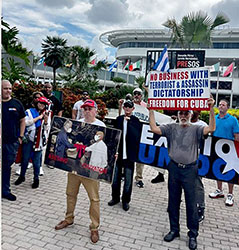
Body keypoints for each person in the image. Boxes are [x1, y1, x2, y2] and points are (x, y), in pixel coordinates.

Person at [148, 97, 215, 250]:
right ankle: (174, 230)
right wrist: (151, 110)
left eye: (186, 113)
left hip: (190, 170)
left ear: (191, 114)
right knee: (173, 201)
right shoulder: (171, 127)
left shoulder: (196, 128)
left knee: (191, 204)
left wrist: (211, 108)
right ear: (178, 114)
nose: (183, 115)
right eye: (181, 113)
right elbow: (154, 129)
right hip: (174, 169)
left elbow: (211, 129)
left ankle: (192, 234)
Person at [55, 99, 106, 244]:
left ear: (95, 110)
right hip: (75, 166)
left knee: (94, 198)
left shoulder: (101, 126)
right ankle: (68, 218)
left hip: (91, 168)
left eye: (90, 108)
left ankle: (94, 227)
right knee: (70, 193)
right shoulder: (78, 124)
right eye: (85, 108)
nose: (87, 111)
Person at [108, 100, 141, 211]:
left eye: (129, 107)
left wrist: (130, 122)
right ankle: (115, 197)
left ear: (133, 109)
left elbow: (137, 136)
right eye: (125, 107)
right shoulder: (118, 119)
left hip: (130, 155)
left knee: (128, 179)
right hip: (119, 154)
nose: (127, 109)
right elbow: (114, 135)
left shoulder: (136, 121)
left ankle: (126, 200)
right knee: (115, 178)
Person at [14, 96, 50, 189]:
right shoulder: (29, 111)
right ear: (36, 103)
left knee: (36, 162)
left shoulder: (47, 114)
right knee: (25, 159)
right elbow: (26, 123)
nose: (41, 105)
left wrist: (45, 122)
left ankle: (36, 179)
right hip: (29, 139)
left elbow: (47, 129)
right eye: (40, 103)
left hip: (39, 142)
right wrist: (39, 118)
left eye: (43, 104)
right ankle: (22, 176)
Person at [209, 99, 239, 206]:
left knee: (229, 172)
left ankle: (230, 194)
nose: (221, 106)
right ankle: (219, 190)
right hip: (216, 148)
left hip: (229, 150)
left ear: (227, 107)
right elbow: (211, 132)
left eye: (223, 105)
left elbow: (236, 136)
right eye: (220, 104)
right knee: (218, 170)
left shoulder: (233, 120)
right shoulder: (215, 118)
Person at [2, 80, 26, 201]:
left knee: (7, 167)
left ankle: (5, 191)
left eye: (10, 88)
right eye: (5, 88)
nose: (8, 91)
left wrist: (20, 136)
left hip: (11, 143)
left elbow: (23, 120)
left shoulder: (17, 104)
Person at [119, 88, 146, 188]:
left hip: (139, 136)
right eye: (135, 93)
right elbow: (120, 117)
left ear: (141, 95)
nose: (136, 95)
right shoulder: (127, 104)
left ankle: (138, 178)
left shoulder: (145, 106)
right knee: (125, 155)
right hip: (127, 136)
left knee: (139, 159)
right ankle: (123, 174)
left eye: (138, 94)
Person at [191, 111, 208, 223]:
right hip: (183, 158)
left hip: (197, 159)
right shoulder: (183, 122)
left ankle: (200, 207)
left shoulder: (203, 125)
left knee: (197, 184)